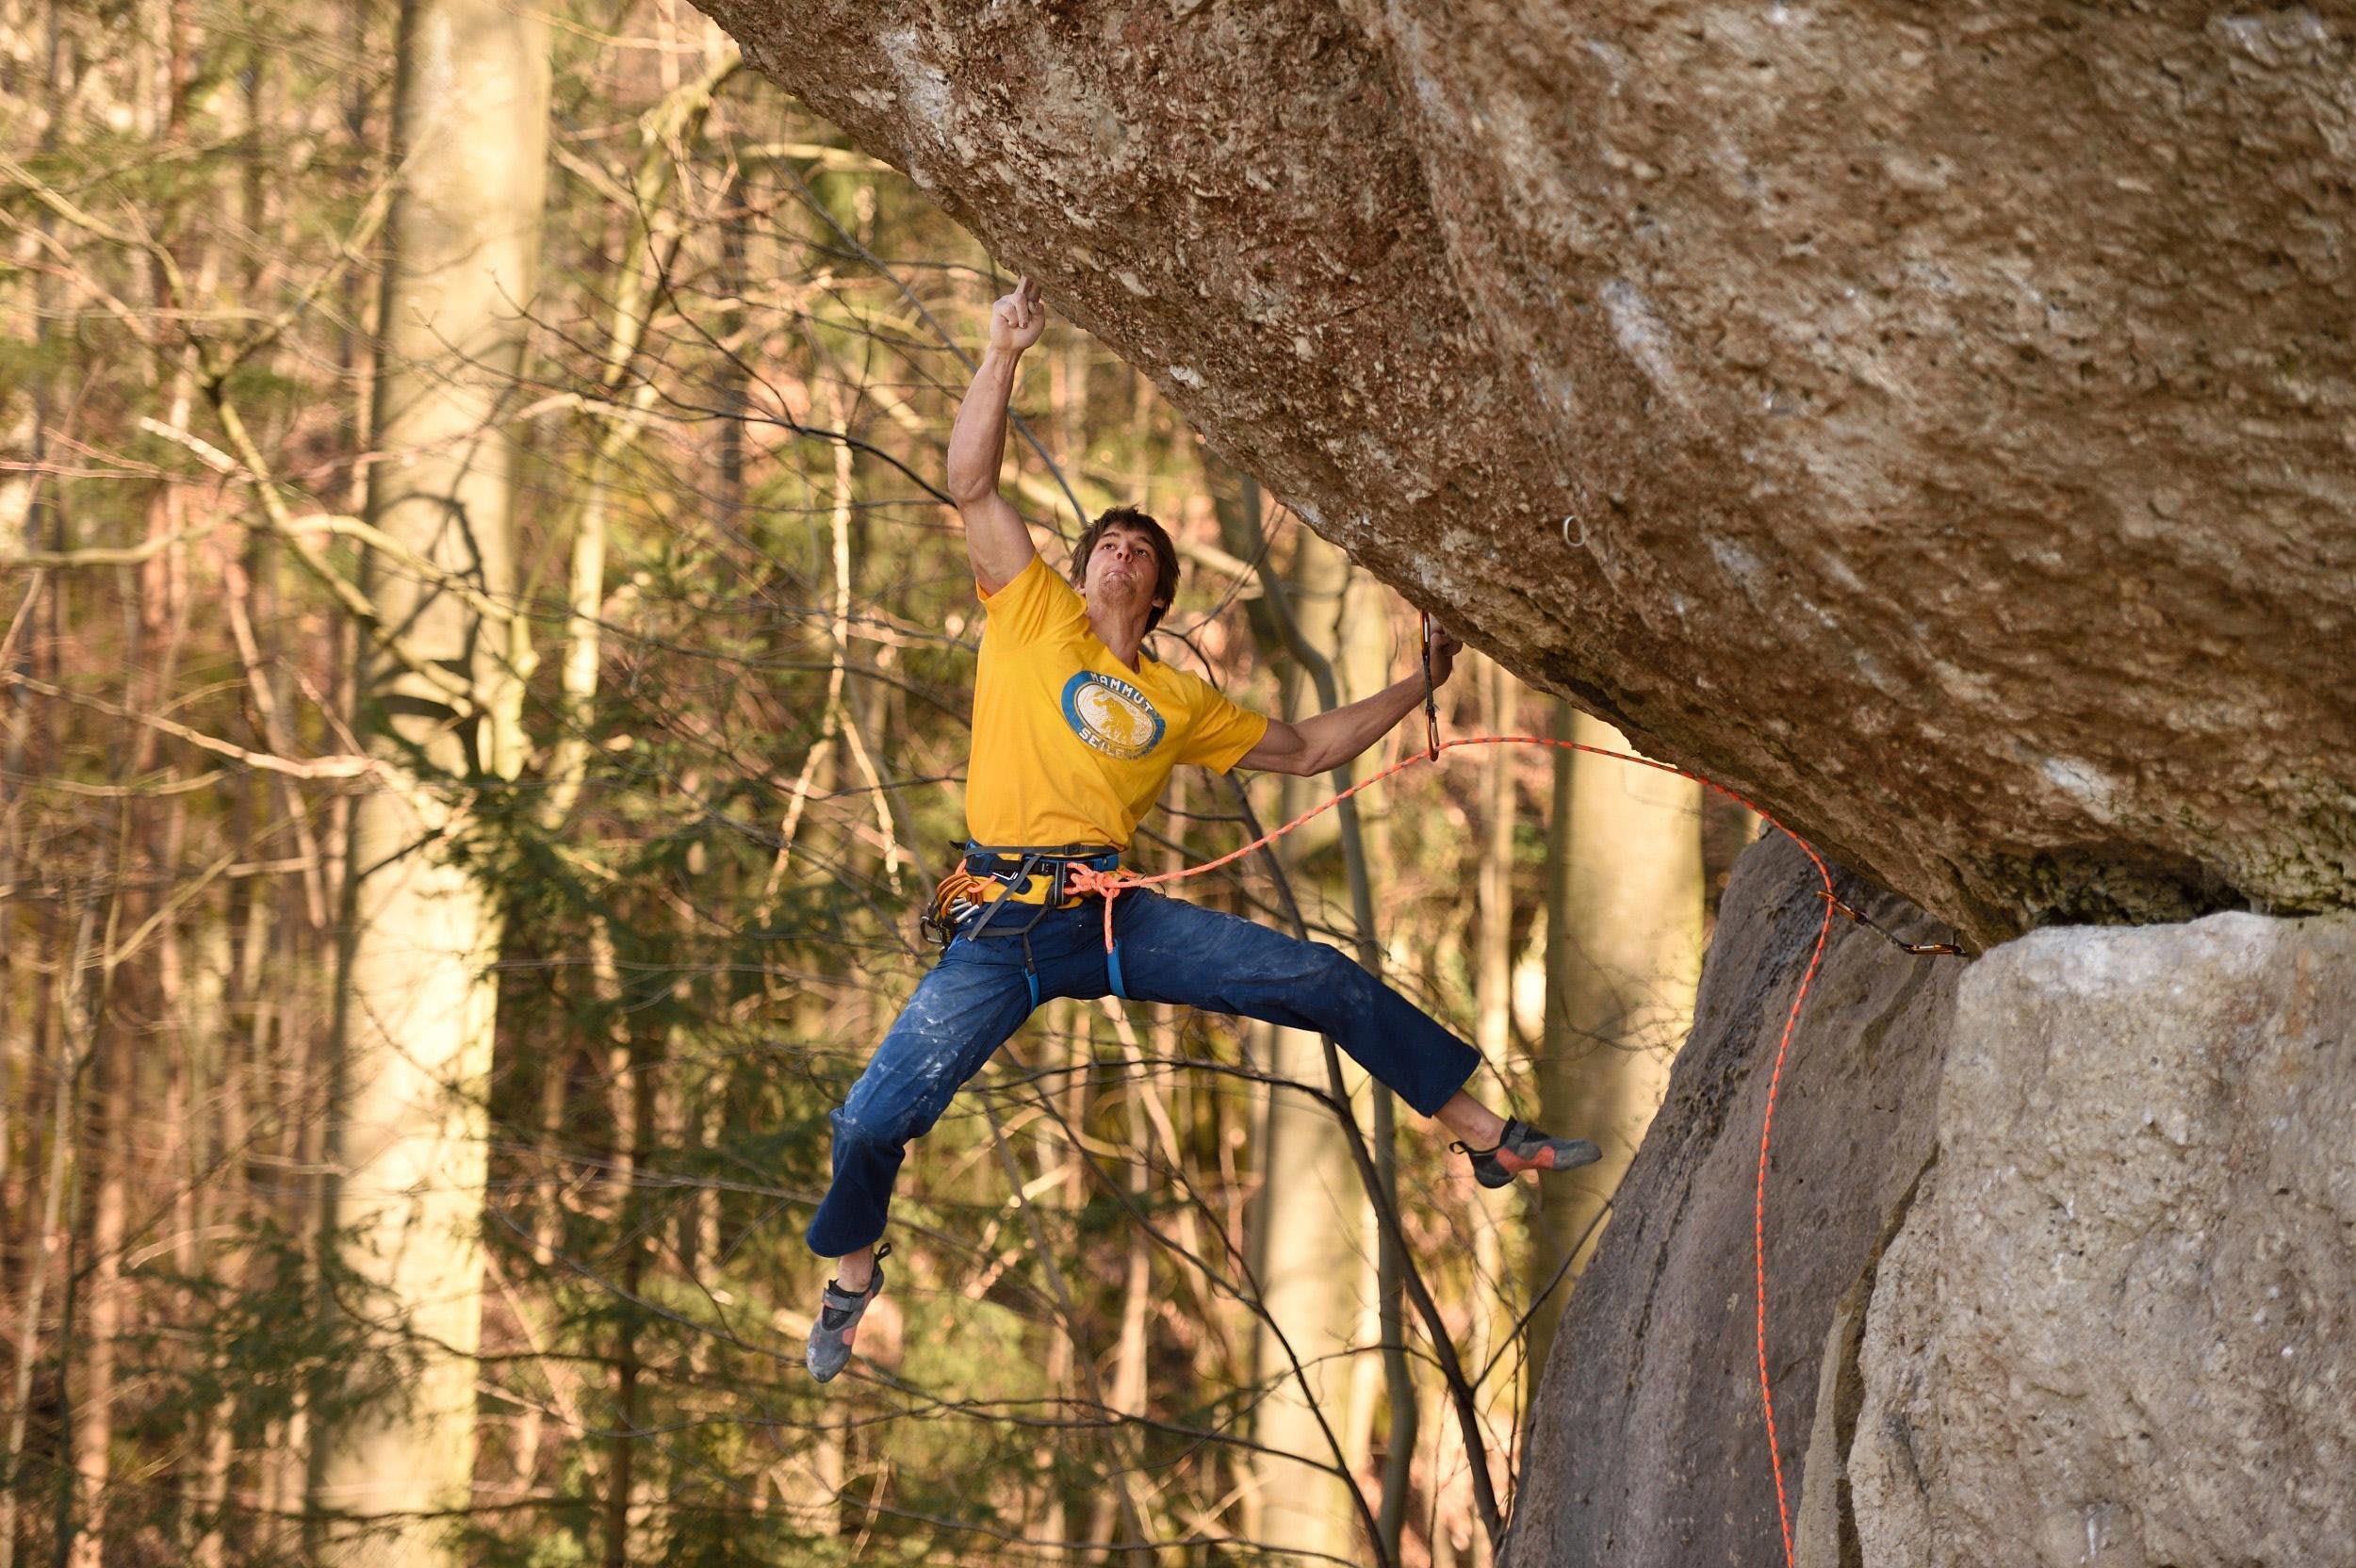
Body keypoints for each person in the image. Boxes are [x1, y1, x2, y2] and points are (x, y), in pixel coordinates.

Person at [805, 276, 1599, 1382]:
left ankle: (1486, 1135)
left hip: (1104, 915)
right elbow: (971, 479)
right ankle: (850, 1275)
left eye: (1140, 550)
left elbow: (1309, 749)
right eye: (1105, 544)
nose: (1120, 553)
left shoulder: (1180, 703)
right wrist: (1003, 350)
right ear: (1075, 570)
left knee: (1317, 979)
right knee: (869, 1118)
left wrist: (1423, 679)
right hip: (994, 921)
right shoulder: (1028, 610)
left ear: (1160, 592)